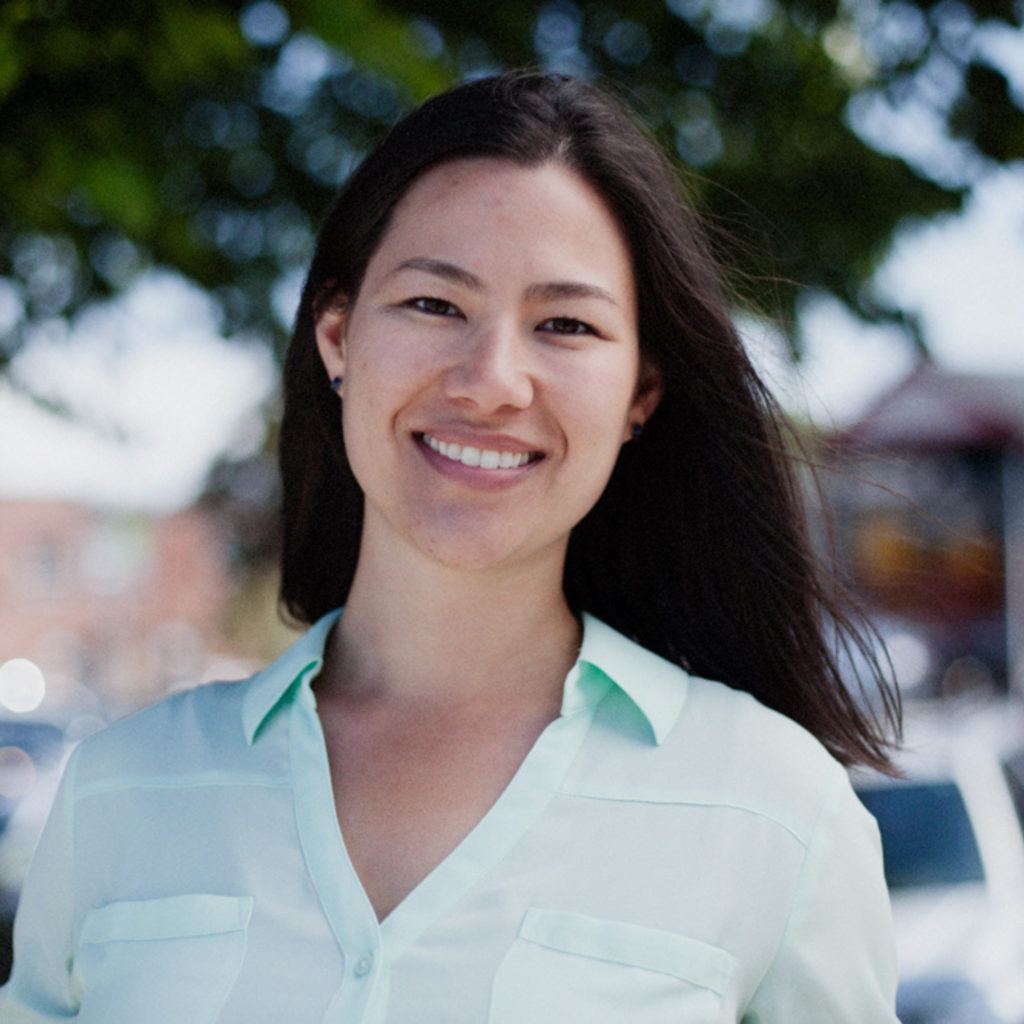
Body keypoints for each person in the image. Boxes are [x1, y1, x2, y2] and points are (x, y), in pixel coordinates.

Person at [1, 72, 901, 1022]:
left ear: (641, 393)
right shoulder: (119, 794)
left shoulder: (776, 810)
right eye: (435, 304)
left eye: (565, 324)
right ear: (339, 338)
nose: (490, 380)